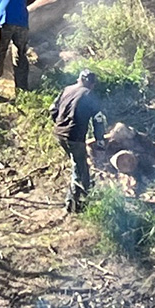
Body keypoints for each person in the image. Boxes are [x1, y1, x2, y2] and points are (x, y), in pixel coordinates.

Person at [50, 70, 106, 213]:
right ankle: (74, 204)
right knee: (79, 168)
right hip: (74, 136)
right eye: (93, 84)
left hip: (59, 134)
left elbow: (53, 109)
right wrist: (100, 140)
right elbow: (98, 119)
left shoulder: (67, 89)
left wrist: (60, 124)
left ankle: (83, 196)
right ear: (90, 83)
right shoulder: (88, 94)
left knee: (79, 165)